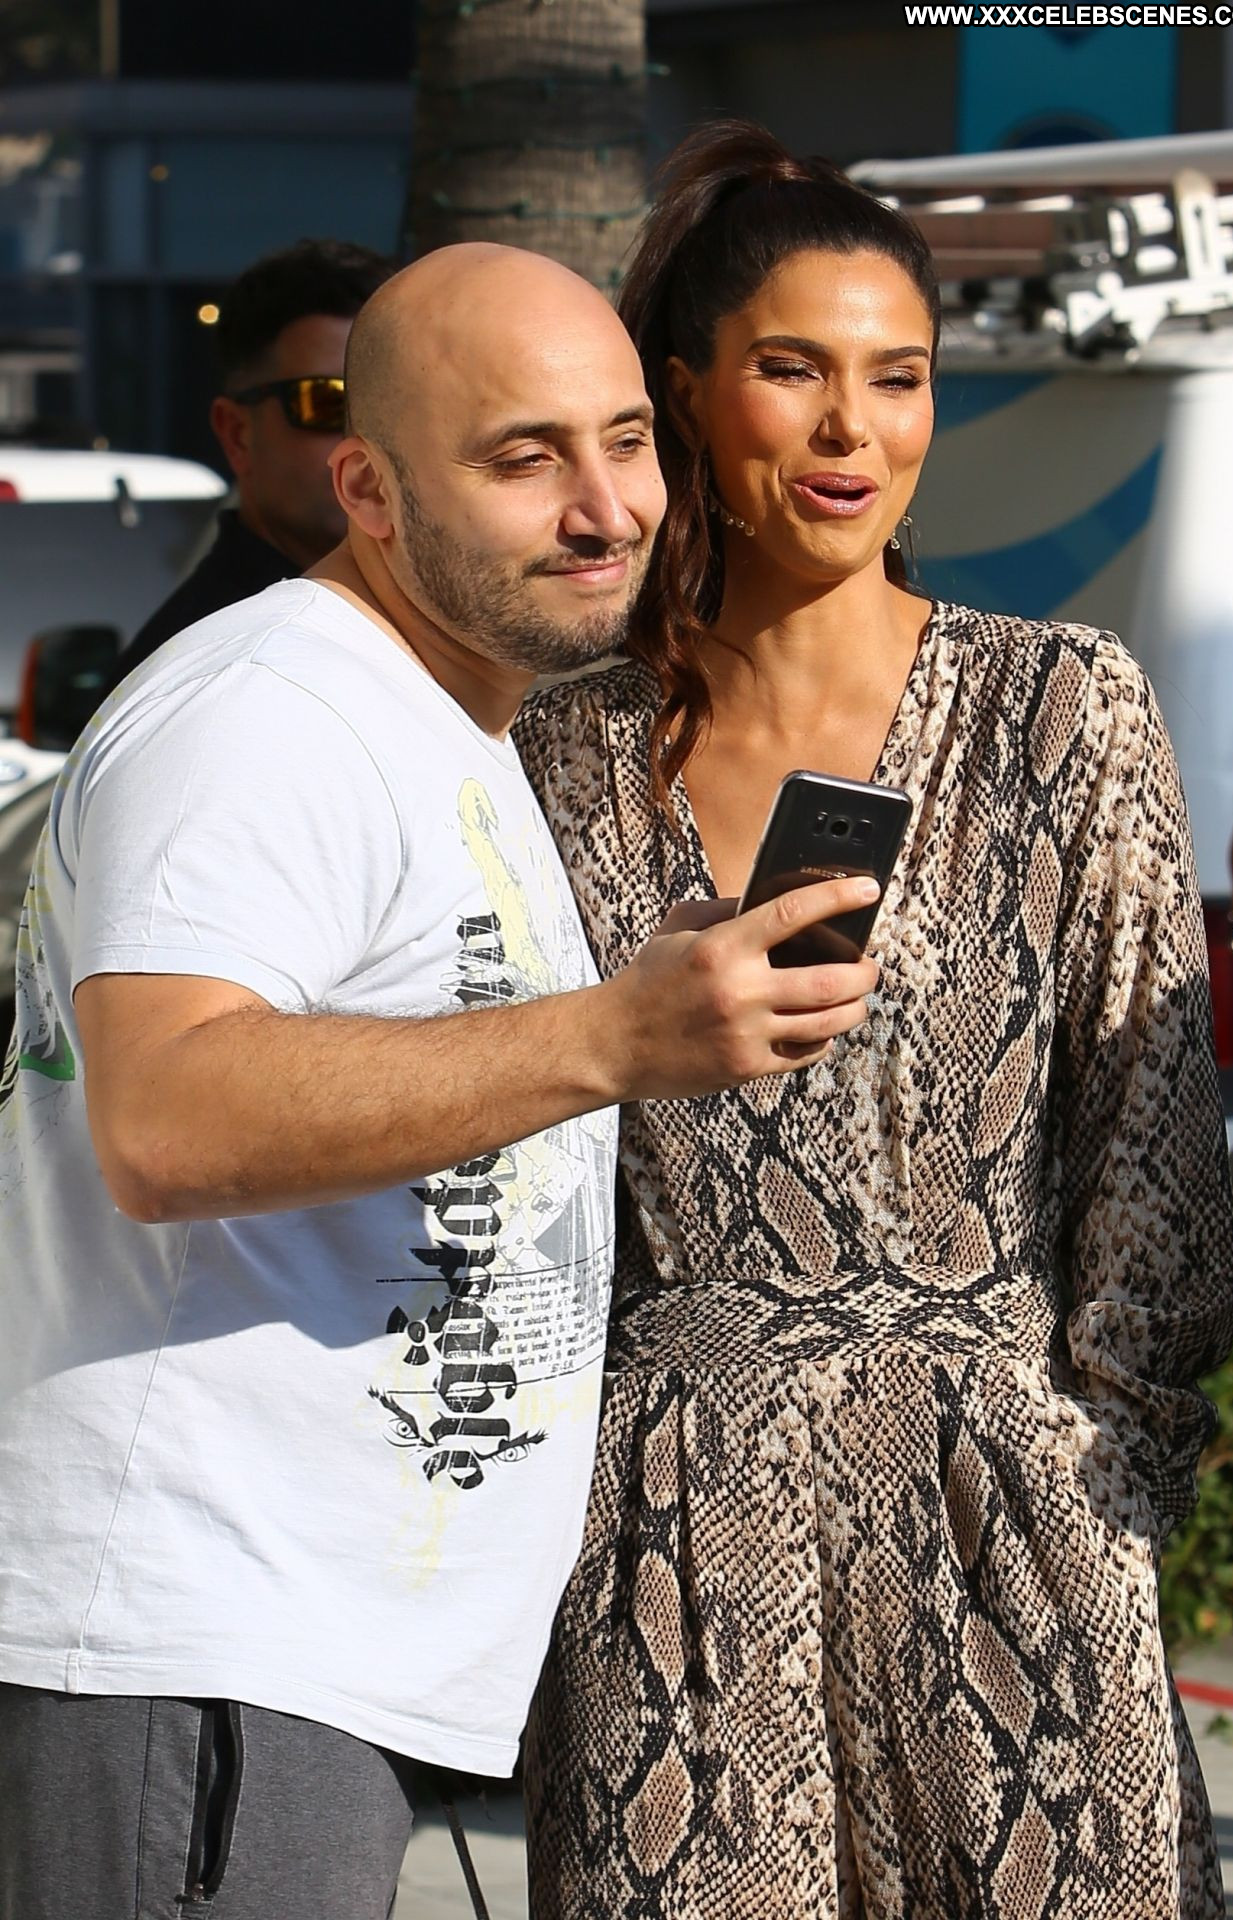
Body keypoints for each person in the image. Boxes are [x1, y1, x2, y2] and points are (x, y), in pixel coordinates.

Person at [0, 242, 881, 1920]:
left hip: (294, 1665)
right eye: (523, 458)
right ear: (371, 492)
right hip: (206, 1653)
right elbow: (165, 1116)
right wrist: (609, 1037)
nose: (606, 508)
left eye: (626, 440)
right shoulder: (268, 710)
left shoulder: (435, 716)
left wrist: (631, 1008)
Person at [513, 122, 1233, 1920]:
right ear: (685, 395)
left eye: (898, 377)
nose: (854, 428)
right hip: (670, 1542)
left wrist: (1099, 1491)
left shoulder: (1061, 710)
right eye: (793, 370)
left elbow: (1153, 1158)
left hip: (1017, 1521)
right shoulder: (556, 754)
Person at [108, 237, 394, 687]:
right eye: (325, 401)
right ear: (237, 434)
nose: (363, 438)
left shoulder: (425, 627)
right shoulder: (208, 672)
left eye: (391, 402)